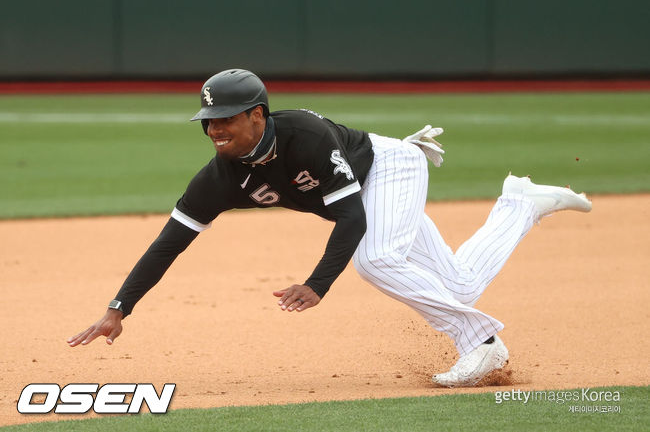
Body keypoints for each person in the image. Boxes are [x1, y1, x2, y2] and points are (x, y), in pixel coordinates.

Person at [67, 69, 592, 387]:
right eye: (208, 119)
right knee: (457, 286)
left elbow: (352, 218)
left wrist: (317, 284)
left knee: (375, 258)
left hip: (390, 168)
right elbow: (168, 245)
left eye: (225, 117)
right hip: (363, 192)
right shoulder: (220, 178)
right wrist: (118, 309)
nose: (214, 128)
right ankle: (518, 207)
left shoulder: (307, 136)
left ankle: (480, 341)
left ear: (257, 114)